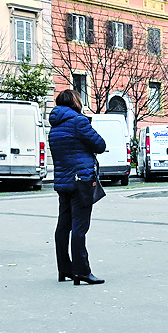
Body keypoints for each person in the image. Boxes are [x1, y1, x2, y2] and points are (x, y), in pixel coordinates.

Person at [49, 90, 107, 285]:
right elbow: (99, 144)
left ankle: (64, 269)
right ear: (75, 102)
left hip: (63, 181)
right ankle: (81, 271)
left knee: (63, 226)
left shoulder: (54, 127)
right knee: (80, 227)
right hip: (81, 180)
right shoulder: (79, 122)